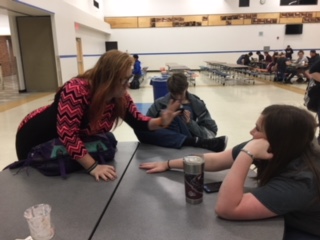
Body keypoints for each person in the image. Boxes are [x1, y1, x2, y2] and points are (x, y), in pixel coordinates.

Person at [140, 104, 320, 239]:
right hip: (287, 212)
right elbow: (215, 160)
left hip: (303, 230)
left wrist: (246, 154)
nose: (251, 132)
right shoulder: (282, 146)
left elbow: (227, 209)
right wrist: (169, 164)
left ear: (276, 139)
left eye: (257, 129)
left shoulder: (301, 180)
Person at [14, 50, 180, 181]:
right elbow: (68, 135)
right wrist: (93, 167)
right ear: (108, 79)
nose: (128, 84)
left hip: (64, 142)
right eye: (123, 80)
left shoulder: (119, 95)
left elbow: (138, 121)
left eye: (128, 78)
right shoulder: (77, 90)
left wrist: (161, 121)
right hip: (36, 138)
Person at [134, 73, 227, 152]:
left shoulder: (197, 104)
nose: (178, 98)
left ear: (186, 87)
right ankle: (192, 141)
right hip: (166, 142)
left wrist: (190, 123)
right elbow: (145, 128)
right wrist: (161, 120)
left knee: (175, 117)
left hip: (186, 143)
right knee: (137, 125)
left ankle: (192, 141)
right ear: (169, 90)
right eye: (174, 94)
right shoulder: (160, 103)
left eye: (181, 94)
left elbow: (211, 133)